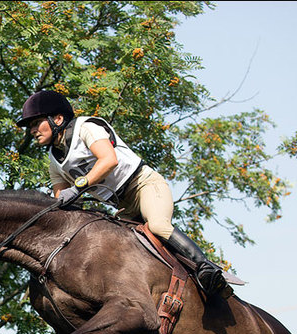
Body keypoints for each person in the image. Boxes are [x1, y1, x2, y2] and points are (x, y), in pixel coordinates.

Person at [17, 89, 233, 300]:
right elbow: (61, 199)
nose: (33, 130)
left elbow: (109, 160)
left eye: (36, 123)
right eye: (30, 126)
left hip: (143, 185)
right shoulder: (54, 161)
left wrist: (78, 187)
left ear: (58, 118)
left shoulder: (87, 127)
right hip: (123, 207)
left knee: (157, 225)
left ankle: (207, 269)